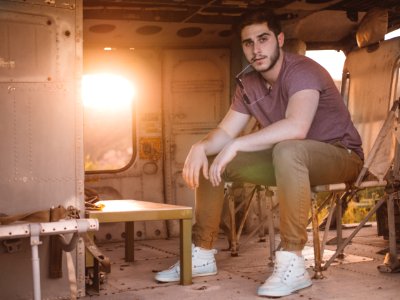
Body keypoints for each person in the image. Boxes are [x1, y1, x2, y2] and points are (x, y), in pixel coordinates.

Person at [155, 9, 364, 297]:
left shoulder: (302, 70)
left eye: (263, 39)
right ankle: (202, 253)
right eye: (248, 43)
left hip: (340, 155)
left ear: (279, 39)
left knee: (288, 149)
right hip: (289, 160)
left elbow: (297, 127)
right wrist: (200, 147)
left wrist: (239, 144)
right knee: (214, 160)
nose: (256, 49)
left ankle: (292, 261)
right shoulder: (248, 83)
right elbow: (226, 132)